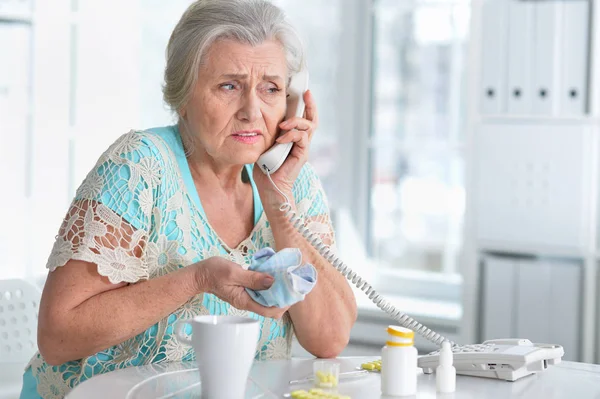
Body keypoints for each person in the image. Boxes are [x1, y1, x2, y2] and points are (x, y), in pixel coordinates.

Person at [19, 0, 357, 398]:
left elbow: (329, 339)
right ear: (182, 94)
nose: (252, 111)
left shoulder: (292, 182)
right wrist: (199, 279)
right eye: (229, 86)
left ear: (291, 100)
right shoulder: (138, 167)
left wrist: (280, 208)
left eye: (271, 88)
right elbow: (58, 337)